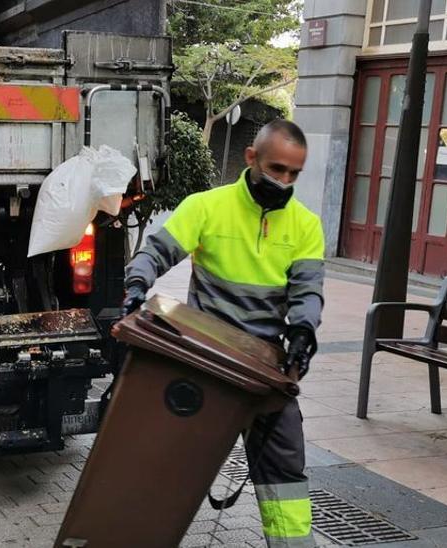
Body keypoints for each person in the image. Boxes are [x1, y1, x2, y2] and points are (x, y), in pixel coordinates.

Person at [123, 119, 324, 548]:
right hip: (206, 360)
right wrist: (138, 282)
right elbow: (158, 251)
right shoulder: (207, 207)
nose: (284, 181)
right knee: (173, 464)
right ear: (251, 158)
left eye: (293, 173)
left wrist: (305, 330)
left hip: (263, 367)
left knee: (284, 470)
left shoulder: (305, 225)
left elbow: (308, 289)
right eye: (276, 169)